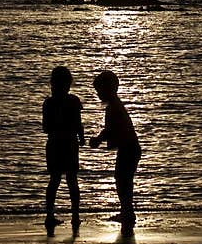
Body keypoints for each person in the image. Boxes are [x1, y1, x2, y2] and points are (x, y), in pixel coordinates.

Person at [89, 70, 141, 226]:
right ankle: (127, 211)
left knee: (122, 180)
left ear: (108, 89)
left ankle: (127, 212)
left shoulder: (114, 107)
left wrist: (98, 139)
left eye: (99, 91)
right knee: (123, 180)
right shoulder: (114, 105)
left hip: (129, 148)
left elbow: (110, 129)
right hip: (129, 148)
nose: (98, 95)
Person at [42, 66, 84, 234]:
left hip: (53, 143)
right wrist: (81, 138)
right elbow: (78, 124)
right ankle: (75, 215)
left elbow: (45, 128)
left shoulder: (48, 103)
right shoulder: (73, 101)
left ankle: (50, 215)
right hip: (69, 143)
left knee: (54, 180)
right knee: (72, 180)